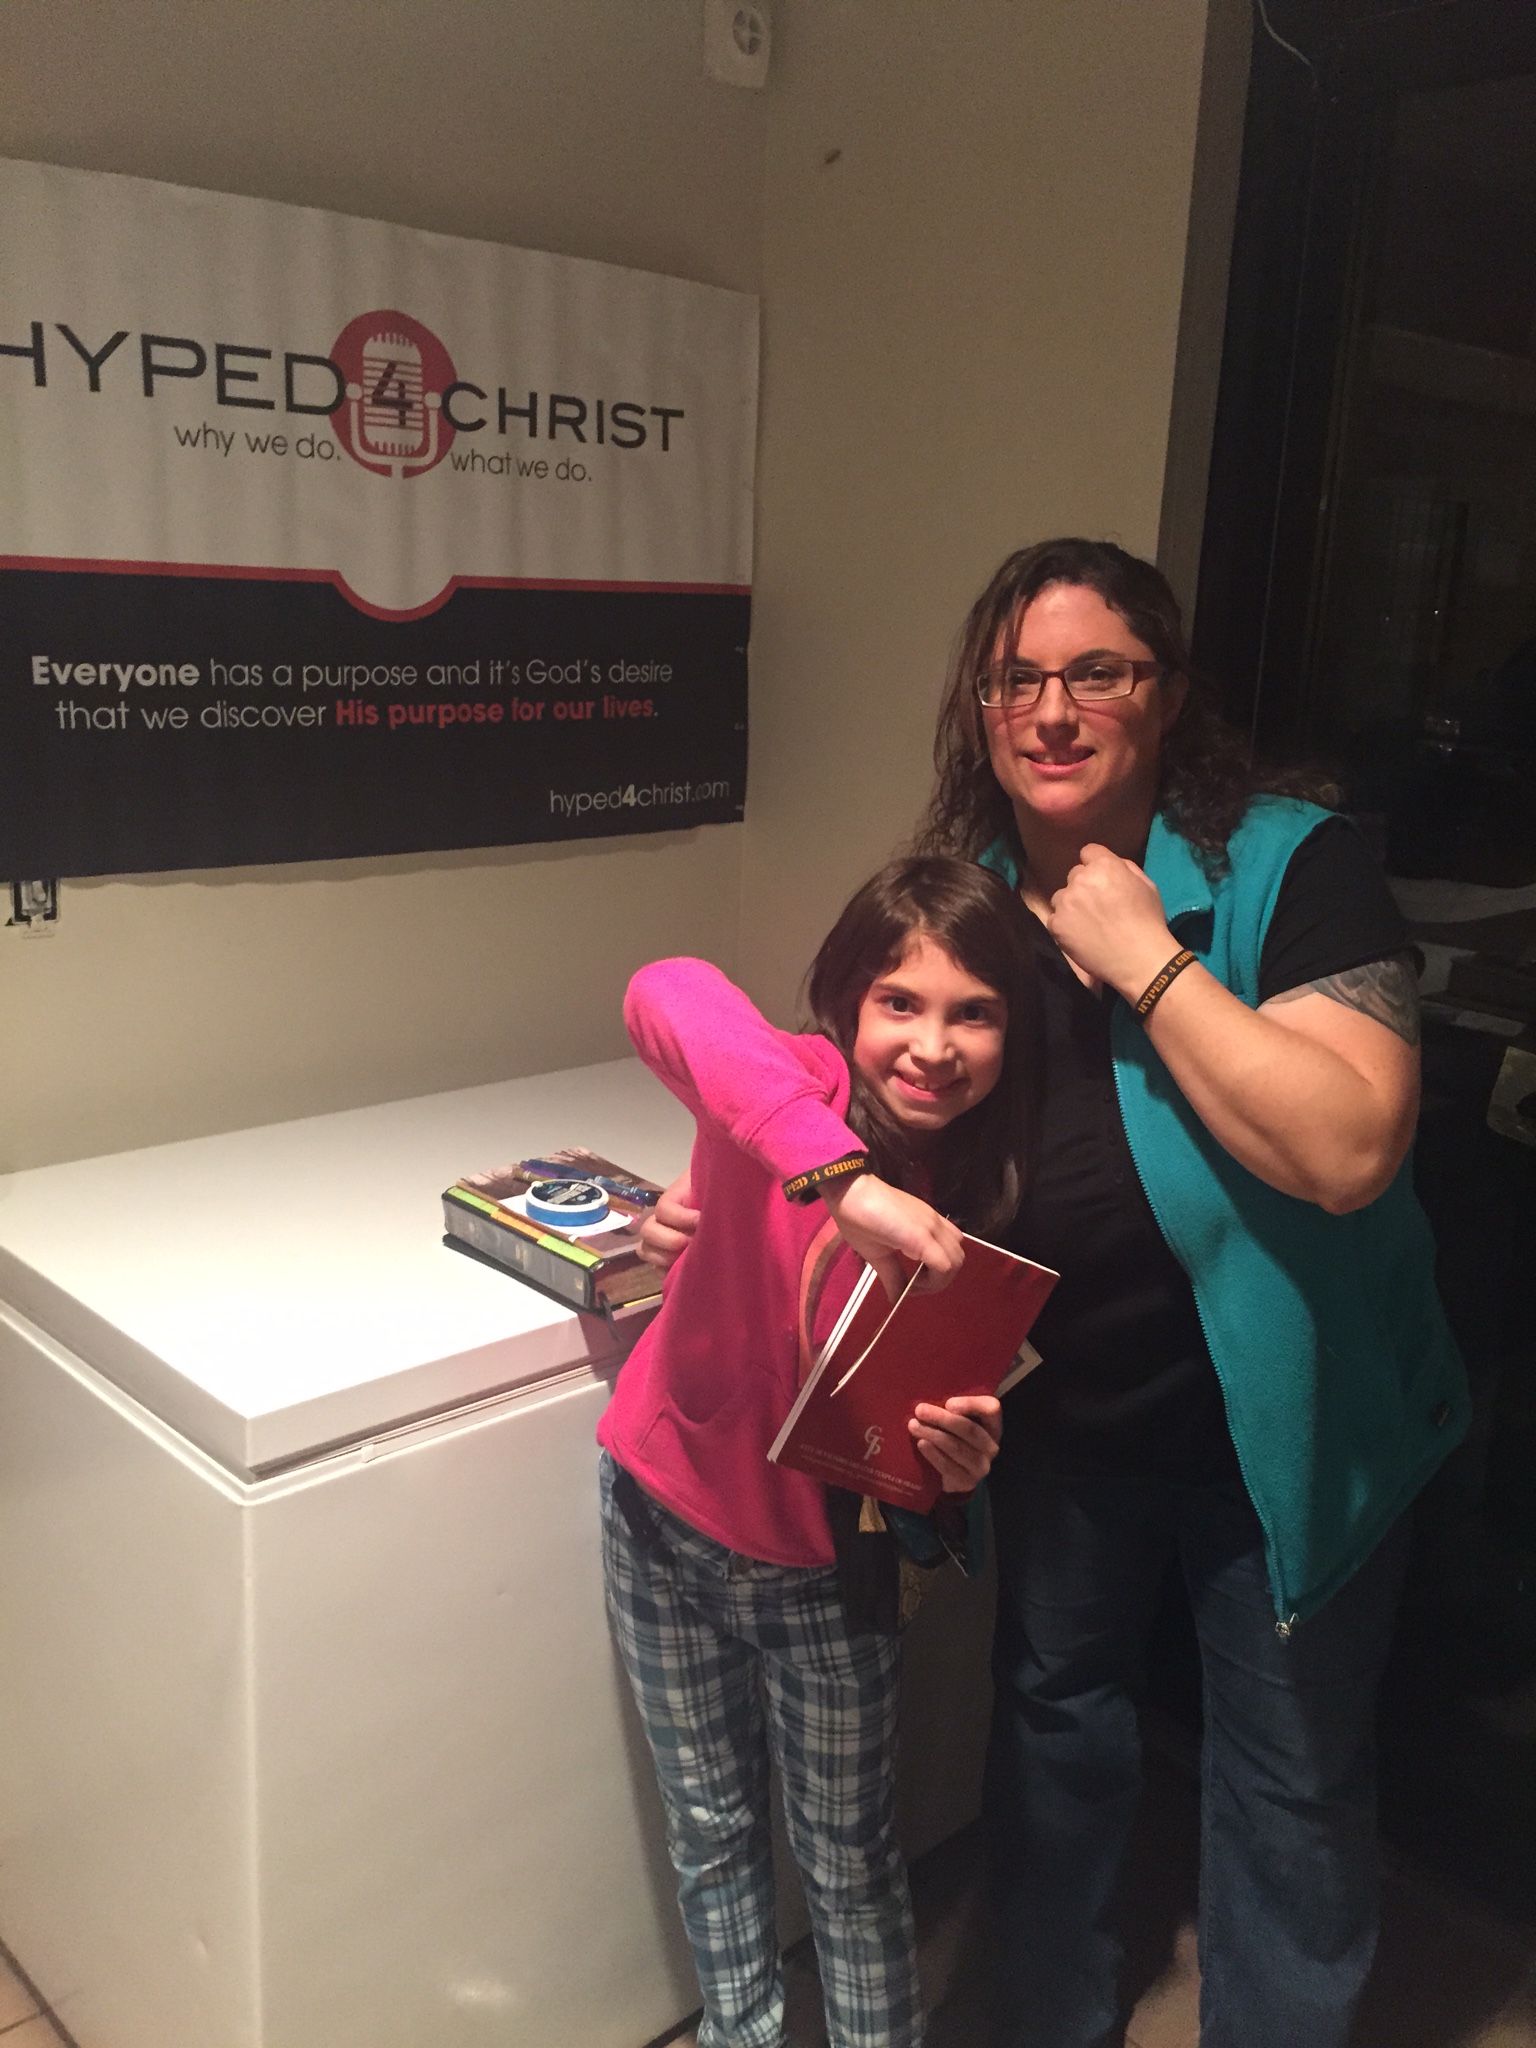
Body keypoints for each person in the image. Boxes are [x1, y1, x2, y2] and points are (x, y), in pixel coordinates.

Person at [644, 538, 1469, 2048]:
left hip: (1286, 1429)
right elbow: (864, 1082)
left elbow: (1349, 1149)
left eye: (1099, 671)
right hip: (1068, 1423)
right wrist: (761, 1190)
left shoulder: (1289, 864)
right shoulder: (972, 896)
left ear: (1166, 692)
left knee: (1289, 1774)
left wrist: (1146, 959)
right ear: (981, 705)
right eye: (1016, 677)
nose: (1053, 709)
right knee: (1056, 1733)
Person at [600, 856, 1039, 2048]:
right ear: (849, 1001)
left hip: (827, 1577)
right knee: (709, 1825)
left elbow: (934, 1441)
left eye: (974, 1012)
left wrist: (958, 1467)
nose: (932, 1045)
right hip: (659, 1516)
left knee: (848, 1862)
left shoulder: (990, 1193)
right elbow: (667, 985)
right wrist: (838, 1175)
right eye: (901, 1001)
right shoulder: (794, 1087)